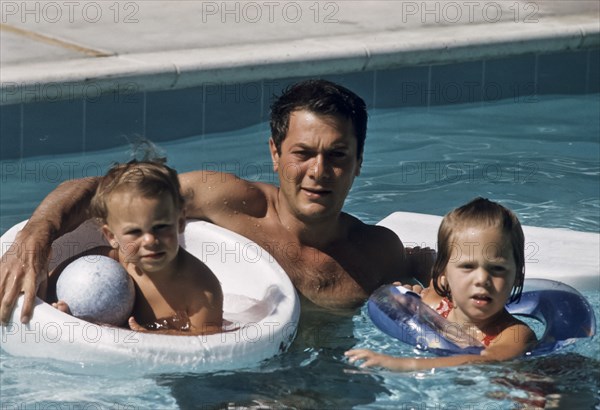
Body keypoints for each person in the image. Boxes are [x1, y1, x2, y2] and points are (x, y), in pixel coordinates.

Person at [0, 79, 431, 324]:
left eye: (337, 156)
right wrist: (39, 232)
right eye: (303, 153)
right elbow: (107, 192)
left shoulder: (376, 255)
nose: (319, 172)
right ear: (275, 154)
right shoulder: (225, 200)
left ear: (358, 164)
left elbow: (435, 291)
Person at [345, 198, 537, 371]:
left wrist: (406, 364)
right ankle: (424, 264)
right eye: (468, 267)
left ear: (517, 277)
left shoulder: (515, 334)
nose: (482, 279)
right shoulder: (435, 305)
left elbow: (487, 362)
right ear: (444, 275)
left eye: (497, 269)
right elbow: (399, 303)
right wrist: (408, 299)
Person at [49, 160, 223, 335]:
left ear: (180, 222)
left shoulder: (202, 291)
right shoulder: (104, 264)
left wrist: (154, 337)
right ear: (111, 236)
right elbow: (46, 289)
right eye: (134, 231)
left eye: (160, 227)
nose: (149, 240)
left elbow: (205, 341)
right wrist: (63, 314)